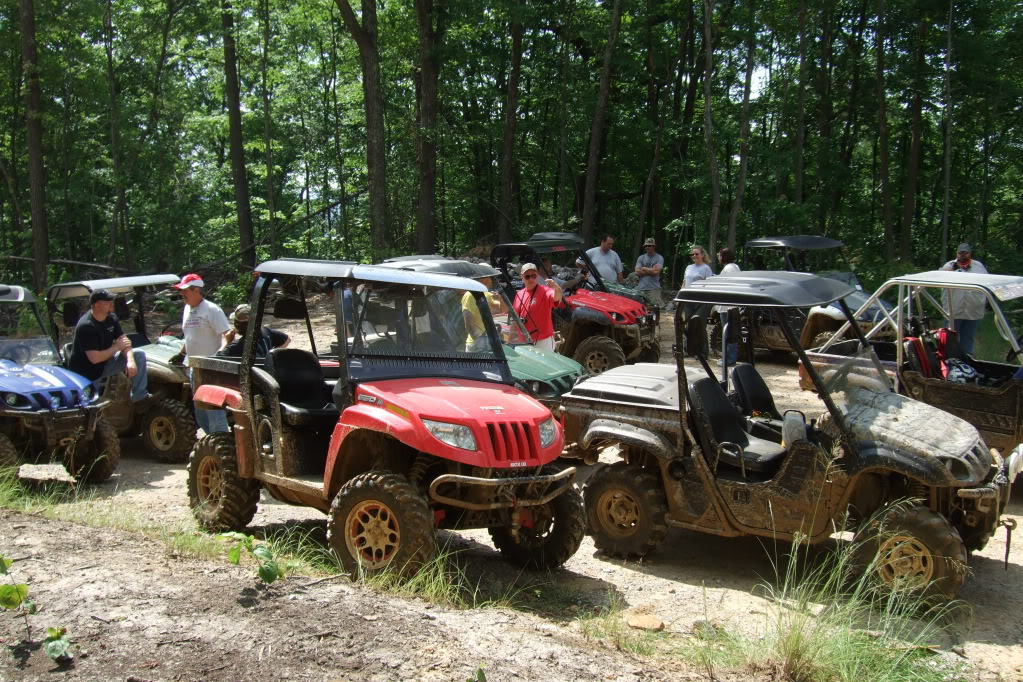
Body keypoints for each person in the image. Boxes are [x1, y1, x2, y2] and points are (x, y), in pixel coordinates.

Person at [169, 273, 232, 434]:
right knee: (200, 413)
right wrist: (182, 353)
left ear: (196, 290)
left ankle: (222, 448)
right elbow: (191, 336)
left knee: (214, 412)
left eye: (185, 291)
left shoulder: (211, 309)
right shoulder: (187, 309)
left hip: (211, 369)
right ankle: (215, 443)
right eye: (180, 291)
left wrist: (220, 354)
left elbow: (228, 334)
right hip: (194, 368)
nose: (182, 294)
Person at [69, 289, 152, 407]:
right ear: (97, 305)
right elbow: (95, 359)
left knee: (138, 354)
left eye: (111, 300)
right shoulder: (86, 326)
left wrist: (130, 361)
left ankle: (140, 398)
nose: (112, 302)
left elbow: (124, 341)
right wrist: (116, 347)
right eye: (107, 301)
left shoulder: (111, 318)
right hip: (87, 372)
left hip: (106, 363)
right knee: (89, 407)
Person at [940, 243, 988, 356]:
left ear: (969, 253)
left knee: (968, 338)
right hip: (953, 310)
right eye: (960, 253)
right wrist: (953, 269)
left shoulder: (979, 267)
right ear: (957, 253)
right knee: (950, 339)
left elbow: (987, 284)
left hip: (973, 310)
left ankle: (967, 362)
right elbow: (939, 280)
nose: (963, 255)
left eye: (965, 253)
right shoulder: (948, 266)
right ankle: (950, 362)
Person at [513, 263, 563, 351]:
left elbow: (556, 297)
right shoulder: (519, 294)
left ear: (537, 276)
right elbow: (514, 318)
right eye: (527, 276)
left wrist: (556, 288)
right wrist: (511, 339)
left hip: (542, 341)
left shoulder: (545, 291)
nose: (531, 279)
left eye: (534, 276)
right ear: (522, 277)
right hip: (523, 341)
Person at [216, 304, 290, 358]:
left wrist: (226, 342)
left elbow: (217, 359)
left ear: (236, 324)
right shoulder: (267, 332)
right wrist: (270, 357)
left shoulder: (237, 346)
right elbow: (287, 340)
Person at [462, 276, 505, 351]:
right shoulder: (469, 295)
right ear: (484, 279)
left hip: (487, 341)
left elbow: (504, 310)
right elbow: (468, 323)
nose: (492, 281)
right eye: (491, 278)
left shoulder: (486, 294)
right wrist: (479, 341)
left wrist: (500, 299)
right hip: (475, 344)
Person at [716, 247, 740, 366]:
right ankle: (730, 357)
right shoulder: (735, 267)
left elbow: (727, 285)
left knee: (727, 333)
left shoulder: (729, 268)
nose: (718, 258)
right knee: (731, 332)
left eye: (719, 255)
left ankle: (729, 359)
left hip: (727, 307)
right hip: (732, 305)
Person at [681, 245, 715, 321]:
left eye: (696, 254)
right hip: (688, 299)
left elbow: (709, 285)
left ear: (702, 255)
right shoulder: (689, 267)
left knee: (699, 323)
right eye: (692, 254)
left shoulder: (706, 268)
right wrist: (680, 295)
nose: (694, 256)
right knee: (688, 323)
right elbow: (684, 282)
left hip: (700, 301)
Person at [634, 237, 665, 306]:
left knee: (654, 308)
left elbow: (656, 272)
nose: (647, 247)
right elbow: (636, 272)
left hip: (653, 289)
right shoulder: (641, 257)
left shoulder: (659, 258)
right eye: (646, 246)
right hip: (641, 288)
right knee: (641, 308)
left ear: (654, 246)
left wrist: (643, 268)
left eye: (649, 245)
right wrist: (651, 271)